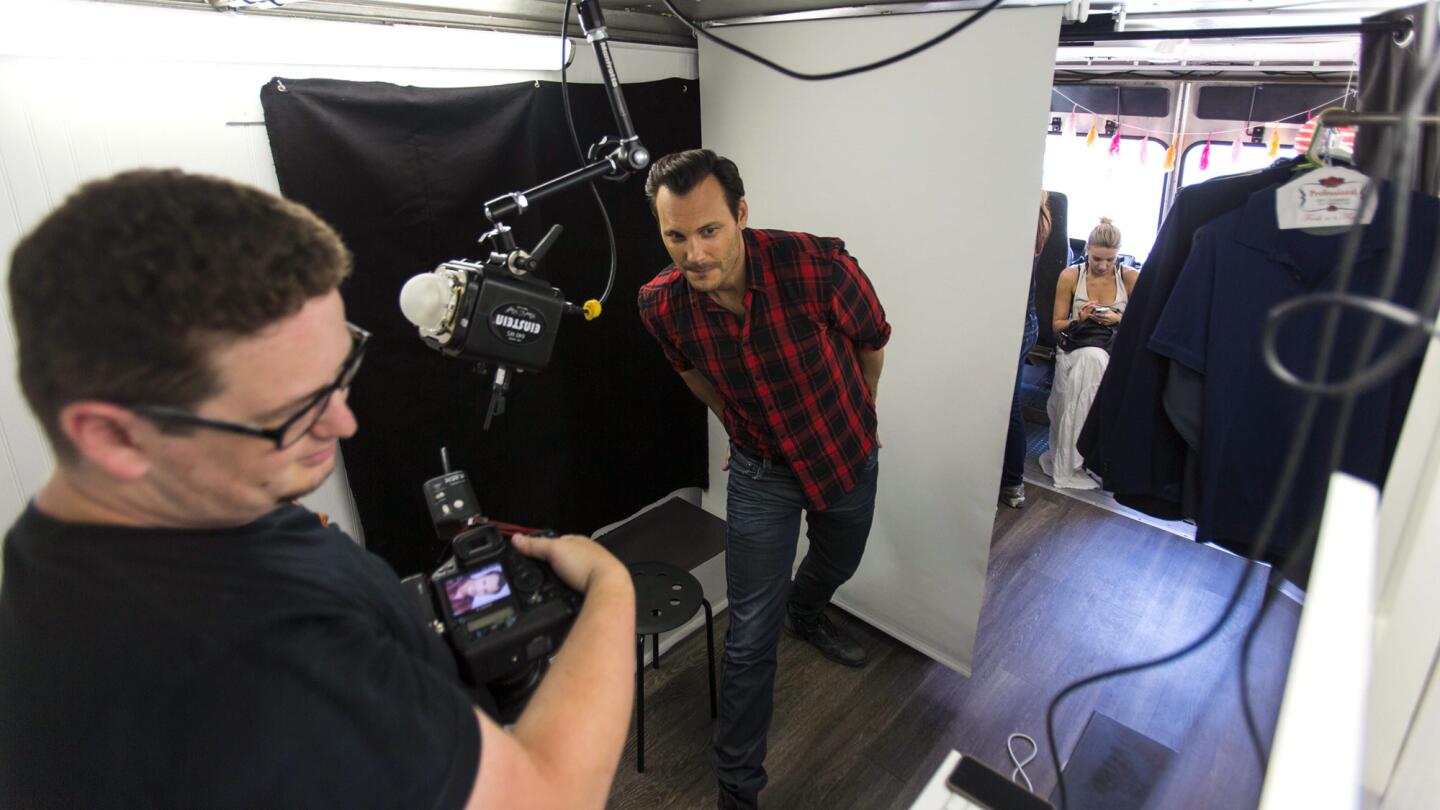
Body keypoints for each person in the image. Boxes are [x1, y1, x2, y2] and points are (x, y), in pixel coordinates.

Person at [0, 169, 636, 809]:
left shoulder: (179, 512)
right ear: (114, 438)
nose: (343, 422)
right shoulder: (235, 670)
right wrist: (611, 588)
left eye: (342, 369)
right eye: (296, 408)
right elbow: (545, 796)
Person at [636, 149, 891, 809]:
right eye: (676, 236)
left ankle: (807, 612)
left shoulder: (817, 266)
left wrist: (862, 415)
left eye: (709, 230)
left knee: (840, 559)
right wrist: (735, 422)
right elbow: (689, 370)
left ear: (741, 215)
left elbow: (873, 341)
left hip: (843, 452)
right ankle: (737, 788)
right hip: (759, 471)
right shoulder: (661, 305)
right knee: (749, 634)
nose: (694, 253)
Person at [1040, 217, 1139, 490]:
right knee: (1089, 360)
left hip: (1112, 351)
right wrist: (1079, 318)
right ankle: (1073, 460)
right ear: (1087, 250)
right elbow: (1057, 325)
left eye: (1110, 260)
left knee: (1096, 361)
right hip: (1076, 346)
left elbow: (1141, 324)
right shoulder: (1071, 276)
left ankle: (1088, 457)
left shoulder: (1129, 278)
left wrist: (1118, 319)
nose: (1103, 266)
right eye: (1097, 259)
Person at [999, 192, 1054, 508]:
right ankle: (1010, 483)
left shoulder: (1024, 219)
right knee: (1007, 404)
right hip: (1025, 323)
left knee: (1007, 406)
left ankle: (1010, 482)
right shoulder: (1036, 217)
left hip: (1015, 326)